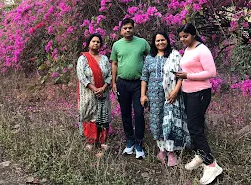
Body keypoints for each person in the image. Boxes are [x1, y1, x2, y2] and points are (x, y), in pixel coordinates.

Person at [176, 23, 223, 185]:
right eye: (181, 37)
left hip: (200, 94)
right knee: (195, 126)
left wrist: (187, 75)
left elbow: (211, 72)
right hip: (189, 93)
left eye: (185, 36)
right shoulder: (188, 49)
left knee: (195, 129)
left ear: (193, 34)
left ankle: (211, 164)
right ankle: (200, 155)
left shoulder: (202, 50)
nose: (183, 39)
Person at [140, 32, 190, 166]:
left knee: (169, 122)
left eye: (162, 40)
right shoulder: (149, 58)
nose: (160, 43)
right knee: (156, 123)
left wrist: (174, 92)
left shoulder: (174, 56)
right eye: (157, 41)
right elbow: (144, 77)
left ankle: (171, 152)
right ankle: (161, 149)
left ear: (167, 41)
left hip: (170, 96)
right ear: (154, 43)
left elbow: (180, 76)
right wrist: (143, 95)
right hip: (153, 97)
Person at [110, 18, 150, 159]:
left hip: (139, 84)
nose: (128, 30)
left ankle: (139, 144)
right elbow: (114, 63)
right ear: (121, 30)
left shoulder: (142, 43)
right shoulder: (117, 45)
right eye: (125, 28)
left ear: (134, 28)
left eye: (130, 28)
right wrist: (114, 83)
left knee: (139, 113)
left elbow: (150, 58)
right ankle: (130, 141)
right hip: (122, 83)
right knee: (125, 113)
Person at [77, 33, 111, 152]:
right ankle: (90, 140)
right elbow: (81, 76)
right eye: (93, 41)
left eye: (98, 42)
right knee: (90, 114)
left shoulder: (105, 59)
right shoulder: (83, 58)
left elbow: (110, 75)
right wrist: (94, 88)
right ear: (89, 44)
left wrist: (103, 87)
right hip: (88, 93)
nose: (96, 43)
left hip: (103, 92)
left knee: (103, 114)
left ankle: (102, 141)